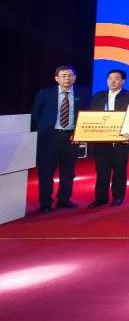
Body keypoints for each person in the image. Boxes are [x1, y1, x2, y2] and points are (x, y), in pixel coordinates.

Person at [30, 65, 90, 212]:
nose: (67, 78)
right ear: (56, 78)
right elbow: (35, 114)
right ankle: (45, 203)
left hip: (71, 138)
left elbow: (87, 114)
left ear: (75, 78)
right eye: (63, 75)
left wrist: (79, 134)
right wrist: (42, 131)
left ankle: (64, 199)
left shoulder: (83, 93)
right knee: (46, 172)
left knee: (68, 172)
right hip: (49, 138)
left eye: (70, 75)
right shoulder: (45, 93)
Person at [88, 69, 129, 207]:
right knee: (101, 170)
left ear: (123, 81)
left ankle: (118, 196)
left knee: (119, 169)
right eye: (110, 78)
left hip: (120, 139)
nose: (112, 81)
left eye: (116, 78)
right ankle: (101, 198)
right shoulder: (98, 96)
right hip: (101, 140)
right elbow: (91, 116)